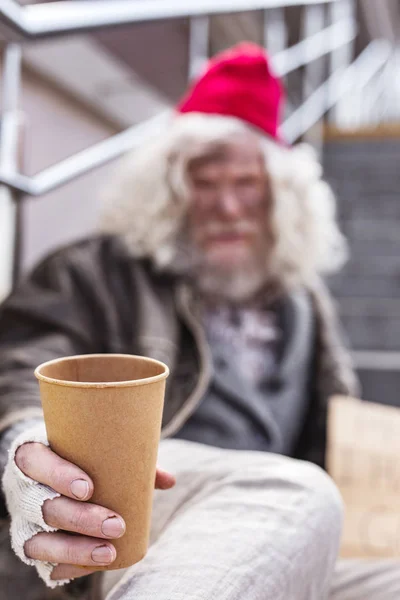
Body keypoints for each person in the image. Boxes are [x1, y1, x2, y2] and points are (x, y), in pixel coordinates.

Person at [0, 43, 398, 600]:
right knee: (288, 488)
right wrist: (26, 440)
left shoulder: (304, 303)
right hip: (138, 515)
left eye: (247, 185)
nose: (228, 208)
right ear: (170, 194)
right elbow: (19, 371)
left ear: (281, 197)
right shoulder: (93, 271)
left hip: (277, 535)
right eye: (205, 185)